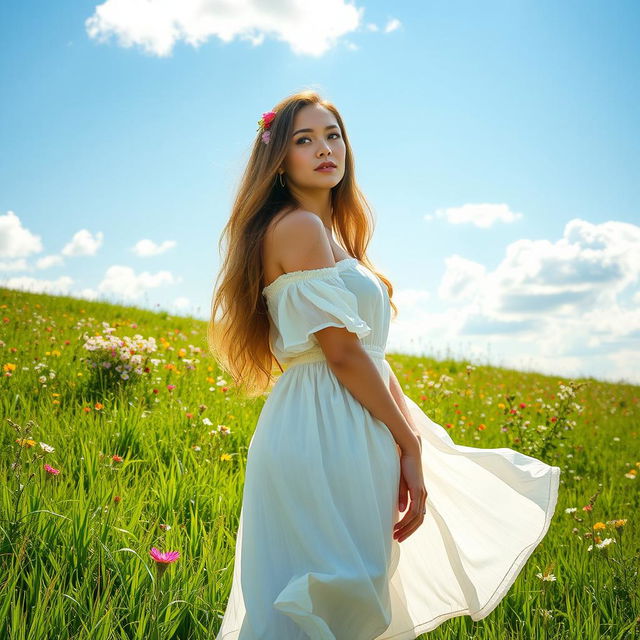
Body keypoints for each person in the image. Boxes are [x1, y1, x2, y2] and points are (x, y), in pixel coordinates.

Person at [208, 89, 561, 640]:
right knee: (334, 589)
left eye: (333, 135)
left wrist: (409, 437)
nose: (325, 149)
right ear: (279, 159)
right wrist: (409, 442)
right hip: (325, 425)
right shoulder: (297, 227)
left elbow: (371, 356)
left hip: (350, 421)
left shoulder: (333, 236)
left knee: (352, 590)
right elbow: (342, 353)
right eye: (304, 140)